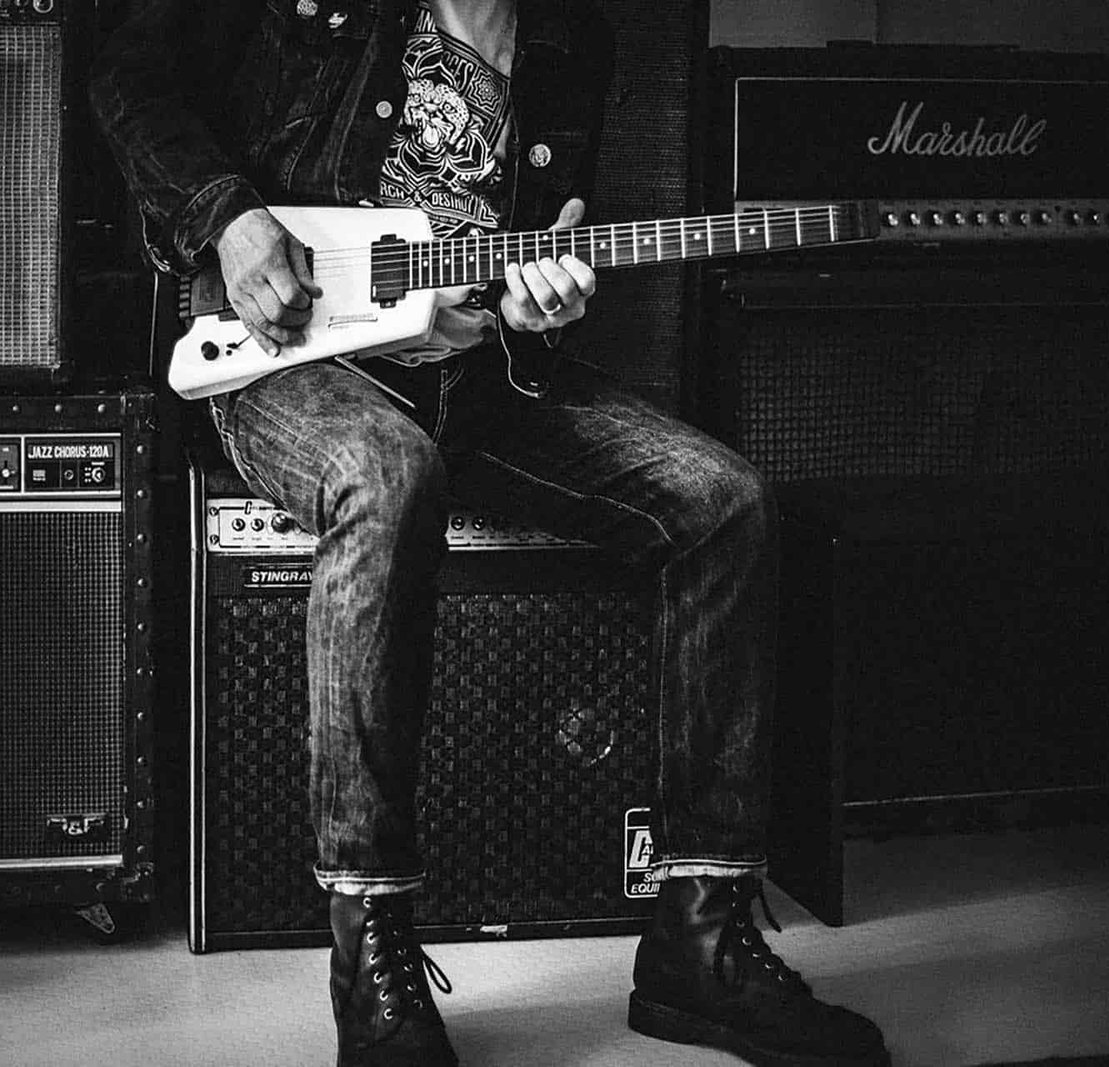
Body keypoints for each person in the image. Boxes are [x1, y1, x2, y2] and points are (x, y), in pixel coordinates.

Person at [91, 1, 889, 1064]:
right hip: (285, 364)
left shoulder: (570, 39)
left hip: (477, 381)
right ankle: (371, 945)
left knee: (724, 501)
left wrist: (535, 309)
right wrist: (231, 221)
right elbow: (127, 79)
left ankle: (699, 939)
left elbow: (536, 263)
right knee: (387, 470)